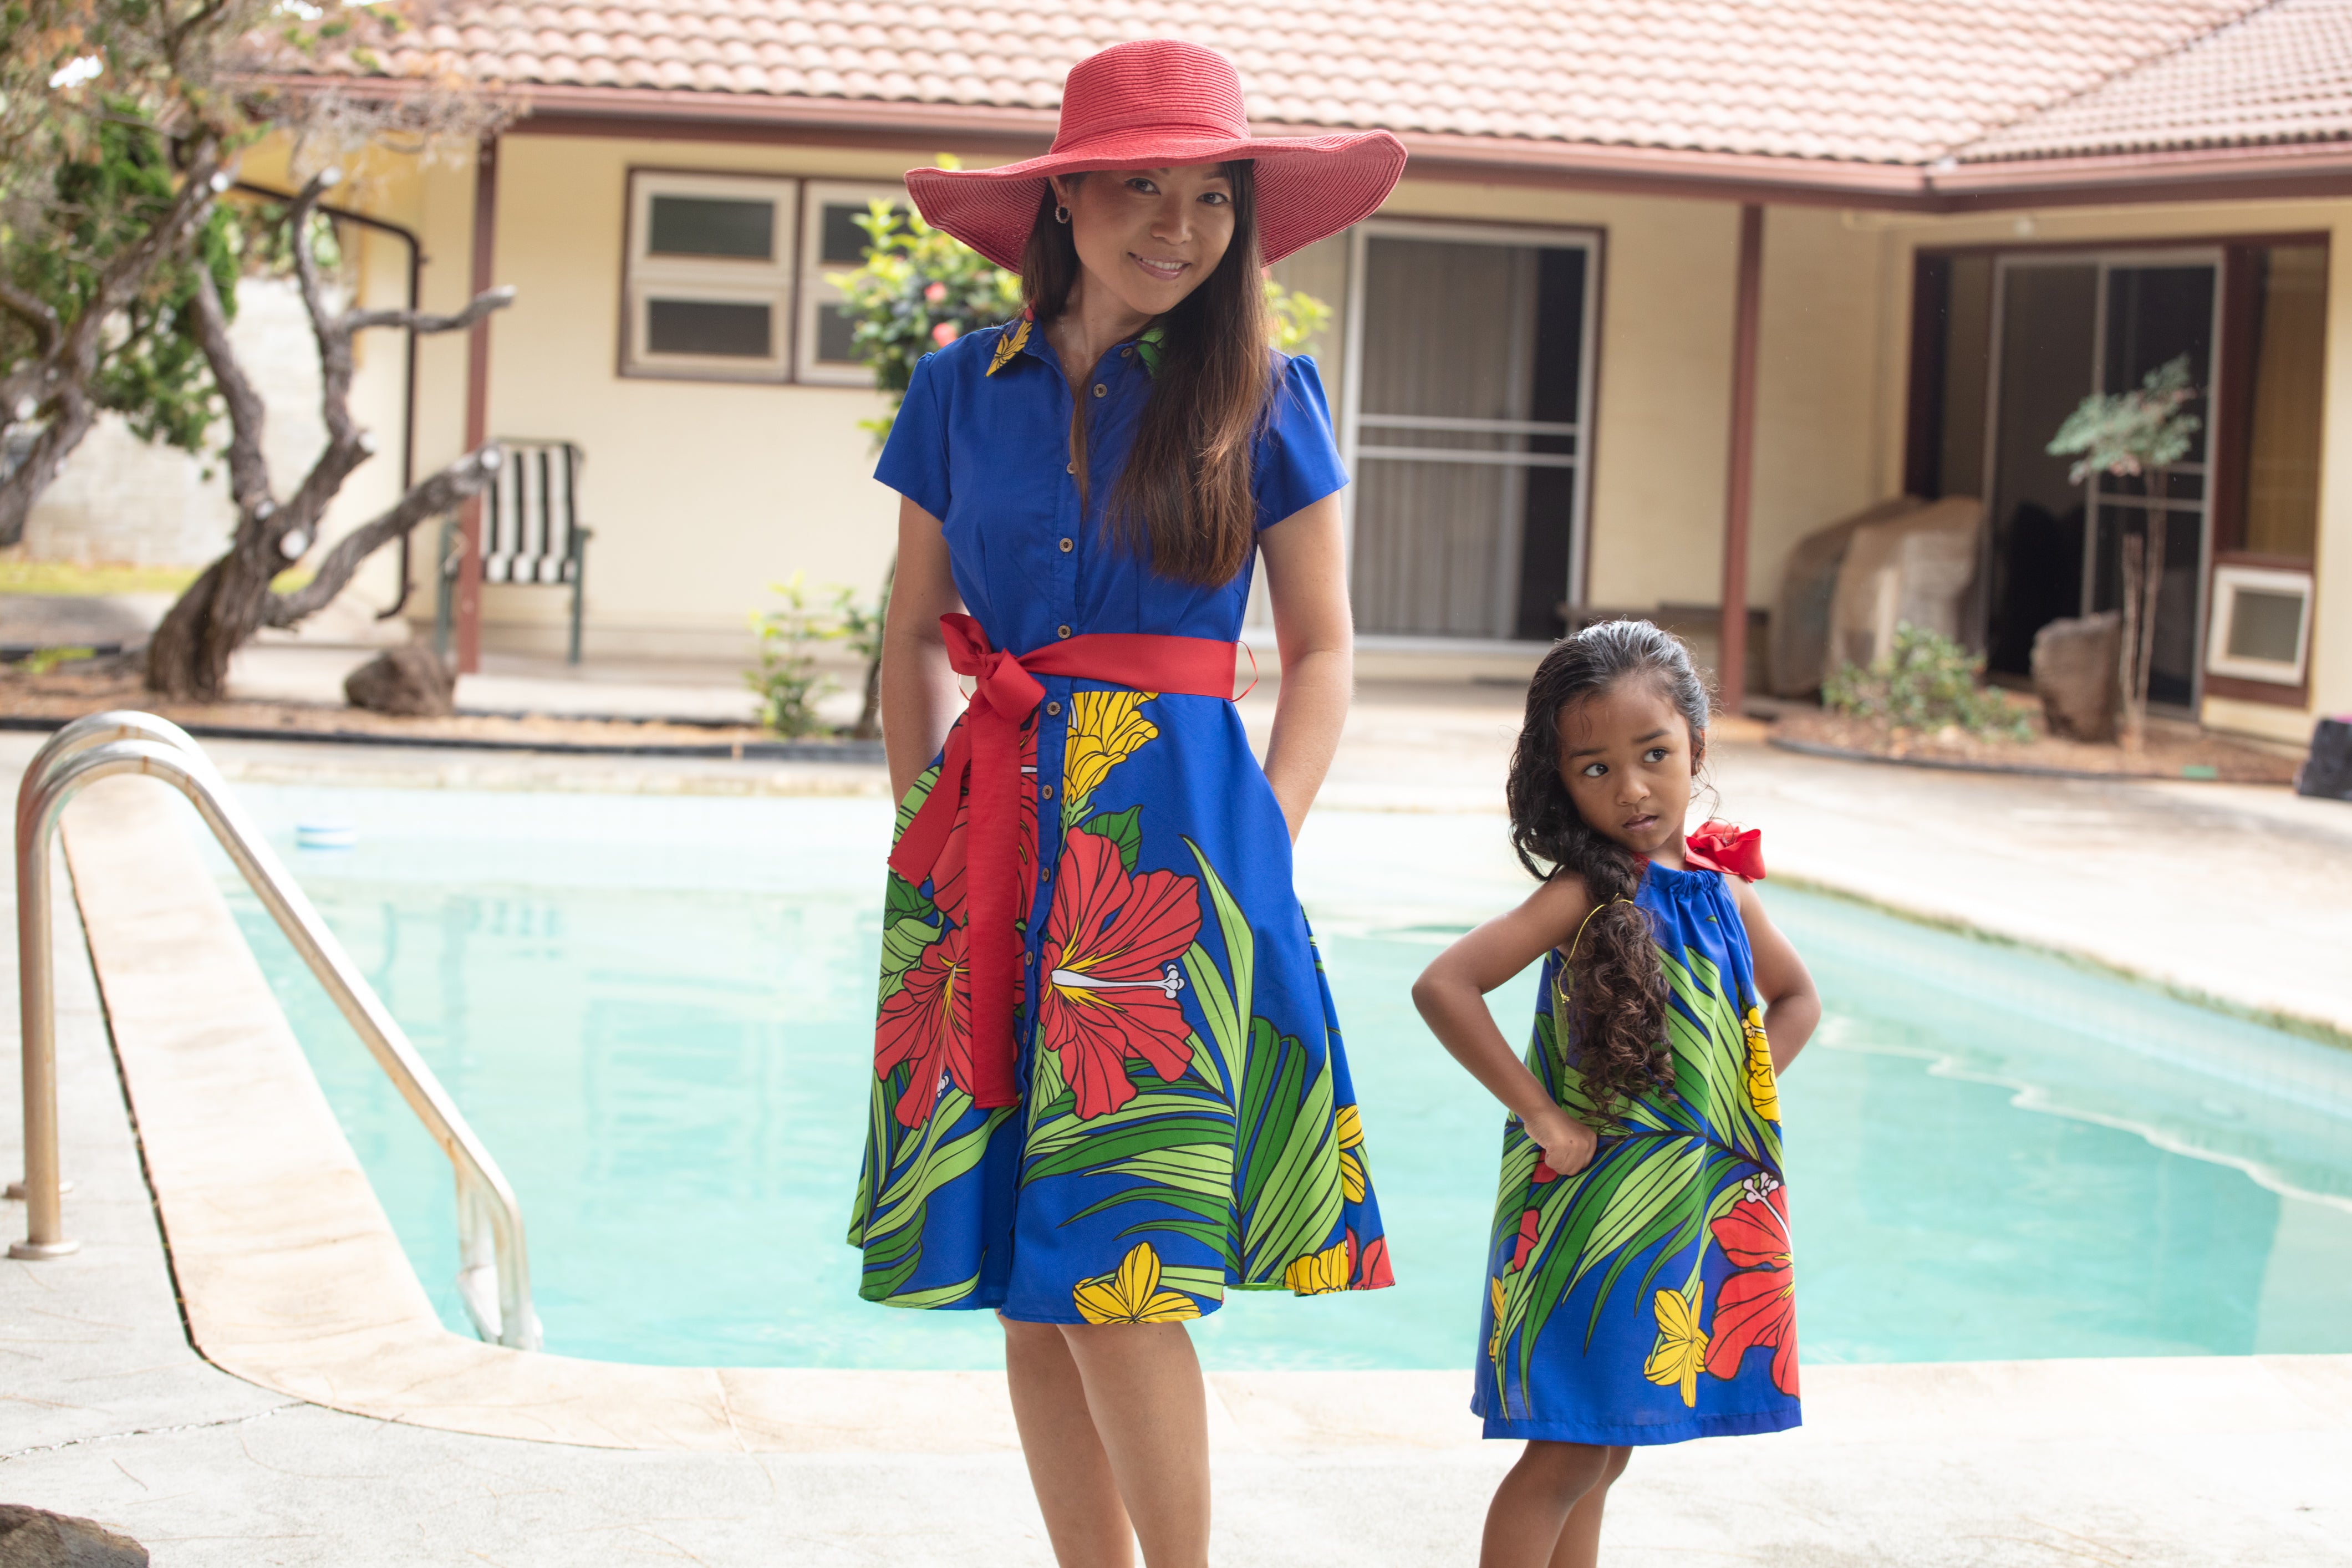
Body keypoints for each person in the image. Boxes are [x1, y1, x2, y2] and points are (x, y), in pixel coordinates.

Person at [844, 38, 1408, 1568]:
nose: (1178, 224)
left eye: (1211, 195)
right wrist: (927, 832)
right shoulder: (964, 385)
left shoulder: (1269, 394)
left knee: (1122, 1270)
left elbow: (1327, 649)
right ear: (1067, 200)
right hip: (987, 844)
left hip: (1174, 854)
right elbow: (908, 629)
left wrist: (1261, 845)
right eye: (1140, 187)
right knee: (1033, 1276)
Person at [1412, 620, 1821, 1568]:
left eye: (1653, 756)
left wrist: (1740, 1091)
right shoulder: (1584, 894)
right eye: (1594, 770)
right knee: (1566, 1449)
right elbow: (1445, 985)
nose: (1631, 788)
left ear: (1696, 749)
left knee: (1608, 1448)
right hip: (1591, 1211)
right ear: (1559, 782)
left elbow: (1796, 1001)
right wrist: (1540, 1111)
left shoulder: (1723, 893)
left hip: (1680, 1206)